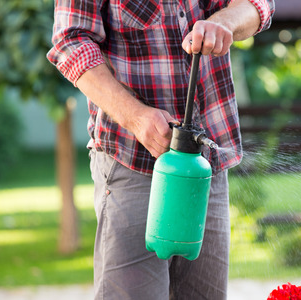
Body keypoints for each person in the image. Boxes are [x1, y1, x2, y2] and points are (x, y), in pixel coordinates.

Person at [47, 0, 274, 298]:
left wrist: (225, 22)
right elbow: (71, 40)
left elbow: (258, 5)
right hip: (132, 160)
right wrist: (135, 116)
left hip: (205, 165)